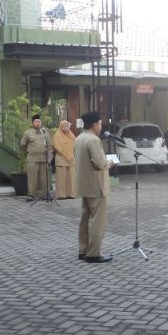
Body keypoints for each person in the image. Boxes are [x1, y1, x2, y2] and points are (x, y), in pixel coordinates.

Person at [74, 111, 112, 263]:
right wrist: (111, 163)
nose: (101, 126)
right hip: (97, 186)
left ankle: (83, 250)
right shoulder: (94, 140)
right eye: (100, 123)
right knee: (97, 221)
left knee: (85, 219)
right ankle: (94, 253)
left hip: (84, 185)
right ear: (95, 124)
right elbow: (100, 163)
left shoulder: (79, 138)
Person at [20, 114, 51, 200]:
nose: (38, 123)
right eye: (36, 122)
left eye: (39, 122)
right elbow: (23, 144)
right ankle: (32, 195)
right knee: (32, 178)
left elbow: (49, 146)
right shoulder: (28, 133)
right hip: (32, 159)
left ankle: (43, 195)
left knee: (43, 179)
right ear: (33, 123)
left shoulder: (45, 133)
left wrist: (49, 158)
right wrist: (28, 152)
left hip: (44, 159)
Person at [52, 120, 76, 199]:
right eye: (64, 126)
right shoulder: (57, 135)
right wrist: (65, 151)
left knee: (71, 178)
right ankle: (61, 194)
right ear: (61, 127)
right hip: (61, 158)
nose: (66, 128)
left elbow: (75, 143)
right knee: (61, 178)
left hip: (70, 159)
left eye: (67, 126)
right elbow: (56, 146)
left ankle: (70, 193)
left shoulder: (71, 135)